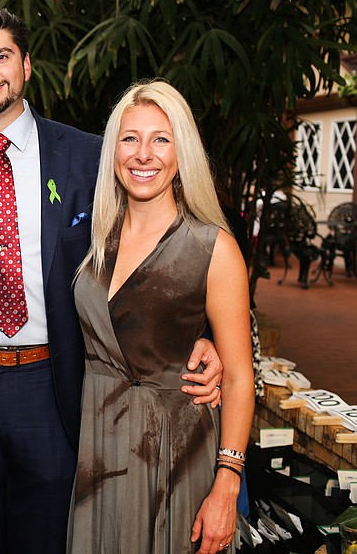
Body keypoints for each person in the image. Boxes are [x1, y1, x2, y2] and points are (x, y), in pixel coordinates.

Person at [0, 4, 226, 554]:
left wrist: (205, 333)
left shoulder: (89, 156)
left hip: (57, 387)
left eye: (0, 57)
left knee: (52, 542)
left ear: (27, 64)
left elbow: (164, 247)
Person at [67, 80, 255, 553]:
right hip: (98, 456)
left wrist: (227, 483)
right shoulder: (90, 242)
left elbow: (237, 379)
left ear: (181, 153)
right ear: (113, 150)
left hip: (178, 457)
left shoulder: (214, 248)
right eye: (130, 138)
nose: (143, 154)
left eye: (161, 139)